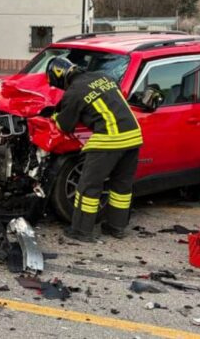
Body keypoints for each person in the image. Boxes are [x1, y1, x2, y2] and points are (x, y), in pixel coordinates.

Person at [47, 57, 144, 242]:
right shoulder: (104, 77)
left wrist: (54, 116)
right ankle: (116, 227)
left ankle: (81, 231)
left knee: (88, 186)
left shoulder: (74, 92)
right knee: (121, 186)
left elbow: (65, 125)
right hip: (133, 136)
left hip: (109, 139)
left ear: (59, 77)